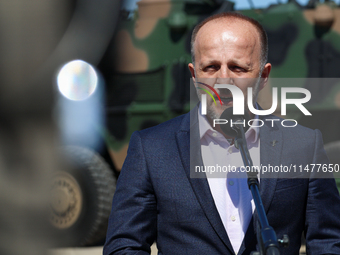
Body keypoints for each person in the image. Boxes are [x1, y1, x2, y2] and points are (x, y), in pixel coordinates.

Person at [103, 12, 340, 255]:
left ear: (264, 76)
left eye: (238, 68)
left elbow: (329, 243)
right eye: (211, 67)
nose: (223, 79)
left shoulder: (304, 146)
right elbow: (123, 247)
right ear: (195, 76)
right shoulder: (150, 149)